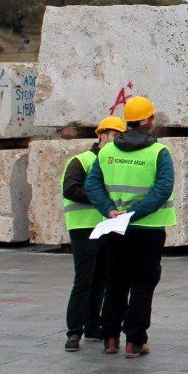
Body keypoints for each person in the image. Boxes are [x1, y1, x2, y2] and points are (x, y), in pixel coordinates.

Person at [85, 95, 175, 358]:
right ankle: (134, 341)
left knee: (115, 282)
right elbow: (162, 190)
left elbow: (92, 185)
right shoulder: (159, 152)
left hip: (115, 227)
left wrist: (110, 210)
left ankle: (110, 338)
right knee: (143, 285)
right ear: (148, 121)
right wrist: (134, 214)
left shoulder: (107, 151)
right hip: (149, 229)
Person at [62, 115, 127, 352]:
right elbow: (70, 189)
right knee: (84, 280)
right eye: (114, 136)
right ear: (101, 136)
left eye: (121, 137)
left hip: (107, 227)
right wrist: (102, 201)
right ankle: (73, 333)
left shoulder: (114, 163)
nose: (117, 140)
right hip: (84, 227)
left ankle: (92, 326)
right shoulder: (81, 161)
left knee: (101, 279)